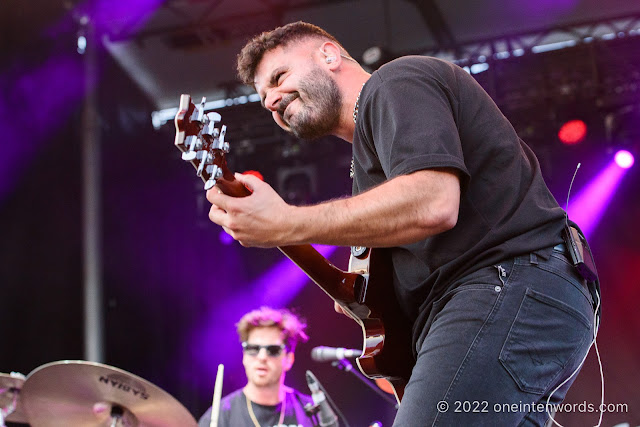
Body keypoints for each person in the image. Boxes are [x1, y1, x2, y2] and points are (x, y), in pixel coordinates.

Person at [206, 21, 600, 425]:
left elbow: (433, 203)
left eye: (279, 77)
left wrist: (285, 223)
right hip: (519, 299)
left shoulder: (394, 81)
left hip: (507, 282)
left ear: (328, 55)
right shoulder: (368, 164)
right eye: (262, 98)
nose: (271, 100)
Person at [198, 306, 315, 427]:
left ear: (289, 360)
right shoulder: (219, 416)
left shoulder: (312, 412)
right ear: (244, 356)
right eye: (253, 349)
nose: (262, 357)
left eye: (273, 350)